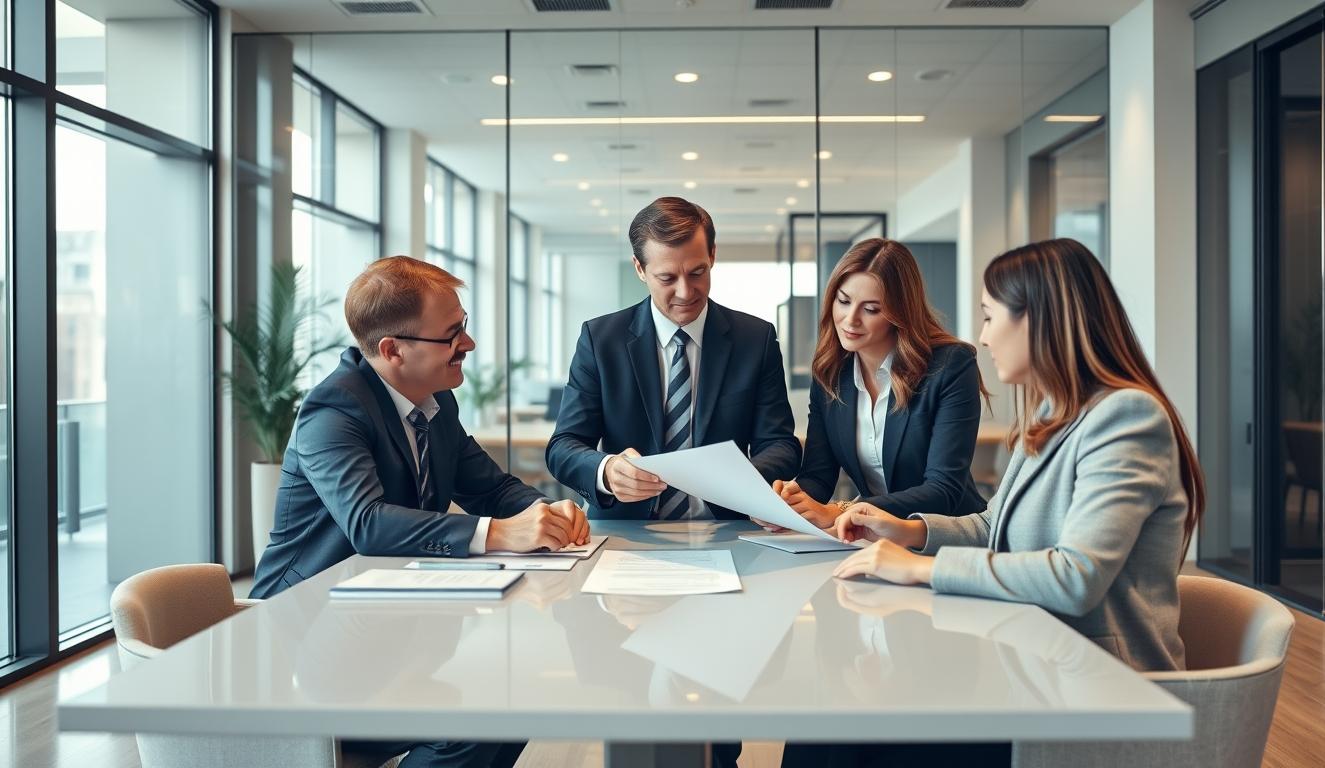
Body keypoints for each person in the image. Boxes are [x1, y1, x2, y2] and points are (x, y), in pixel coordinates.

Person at [810, 238, 1204, 767]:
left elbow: (1076, 577)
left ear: (1039, 323)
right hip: (1032, 661)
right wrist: (911, 533)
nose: (982, 337)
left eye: (991, 317)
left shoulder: (1125, 418)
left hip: (1091, 687)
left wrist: (918, 570)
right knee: (837, 731)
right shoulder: (1050, 414)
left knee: (864, 736)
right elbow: (996, 523)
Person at [251, 255, 589, 768]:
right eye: (451, 335)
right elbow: (368, 523)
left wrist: (548, 512)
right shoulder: (333, 410)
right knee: (472, 730)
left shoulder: (435, 403)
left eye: (465, 328)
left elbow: (491, 488)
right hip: (311, 640)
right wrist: (501, 533)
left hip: (387, 624)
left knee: (519, 706)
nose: (468, 345)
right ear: (392, 350)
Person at [546, 196, 801, 522]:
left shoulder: (755, 339)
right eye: (667, 278)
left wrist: (739, 481)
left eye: (698, 272)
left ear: (712, 256)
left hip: (726, 526)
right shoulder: (601, 339)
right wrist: (607, 470)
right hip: (626, 530)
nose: (686, 292)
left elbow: (780, 445)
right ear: (640, 269)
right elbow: (563, 446)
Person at [765, 238, 988, 533]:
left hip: (947, 536)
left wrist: (842, 509)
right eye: (843, 301)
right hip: (871, 538)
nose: (850, 320)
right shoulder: (830, 373)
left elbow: (942, 489)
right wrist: (790, 503)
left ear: (900, 313)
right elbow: (819, 476)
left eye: (871, 309)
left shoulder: (950, 366)